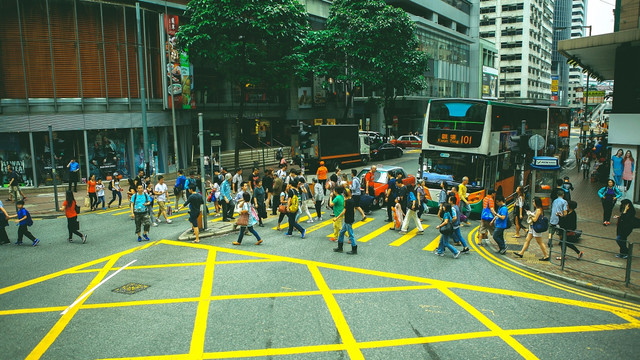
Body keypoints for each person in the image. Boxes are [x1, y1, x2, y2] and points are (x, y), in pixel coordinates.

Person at [333, 188, 358, 255]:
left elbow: (344, 211)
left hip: (348, 220)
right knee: (341, 232)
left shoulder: (347, 202)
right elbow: (354, 210)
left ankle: (354, 248)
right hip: (350, 219)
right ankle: (340, 247)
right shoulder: (352, 200)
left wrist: (337, 218)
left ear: (345, 194)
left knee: (351, 235)